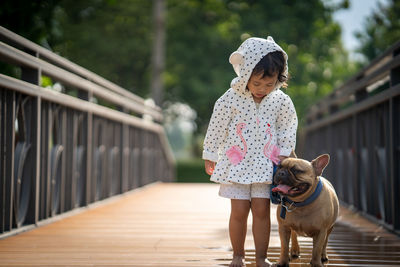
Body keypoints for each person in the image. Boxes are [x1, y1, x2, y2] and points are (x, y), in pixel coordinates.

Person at [202, 36, 298, 267]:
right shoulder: (229, 99)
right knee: (238, 211)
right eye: (256, 84)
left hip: (266, 165)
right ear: (245, 75)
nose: (262, 90)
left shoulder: (280, 101)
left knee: (262, 211)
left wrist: (284, 153)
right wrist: (210, 154)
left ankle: (261, 257)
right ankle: (238, 255)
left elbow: (288, 126)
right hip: (237, 164)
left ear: (278, 78)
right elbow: (217, 126)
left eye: (269, 84)